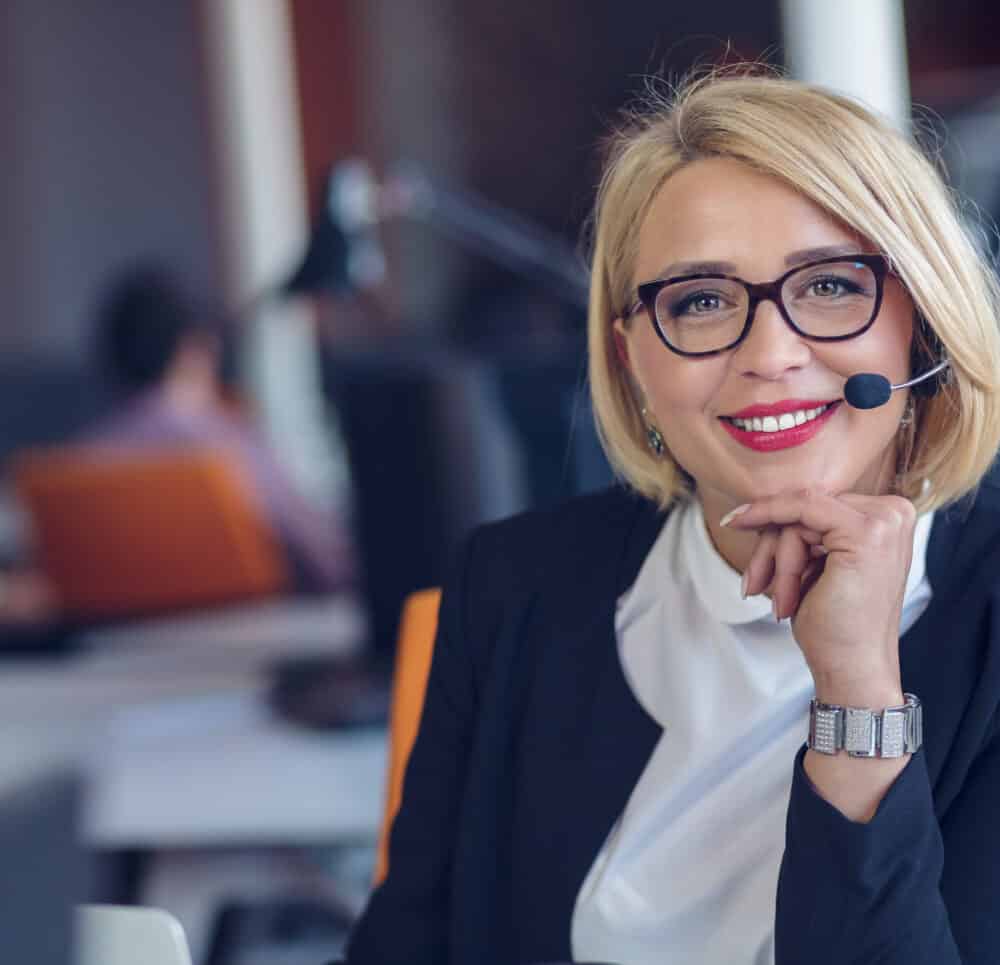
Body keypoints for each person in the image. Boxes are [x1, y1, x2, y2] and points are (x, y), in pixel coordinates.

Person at [341, 69, 1000, 965]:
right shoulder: (514, 588)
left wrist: (857, 694)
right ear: (633, 359)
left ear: (915, 321)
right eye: (699, 301)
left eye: (832, 286)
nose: (770, 353)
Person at [86, 265, 356, 596]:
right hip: (262, 632)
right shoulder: (222, 441)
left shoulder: (81, 460)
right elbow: (320, 556)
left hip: (118, 644)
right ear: (196, 348)